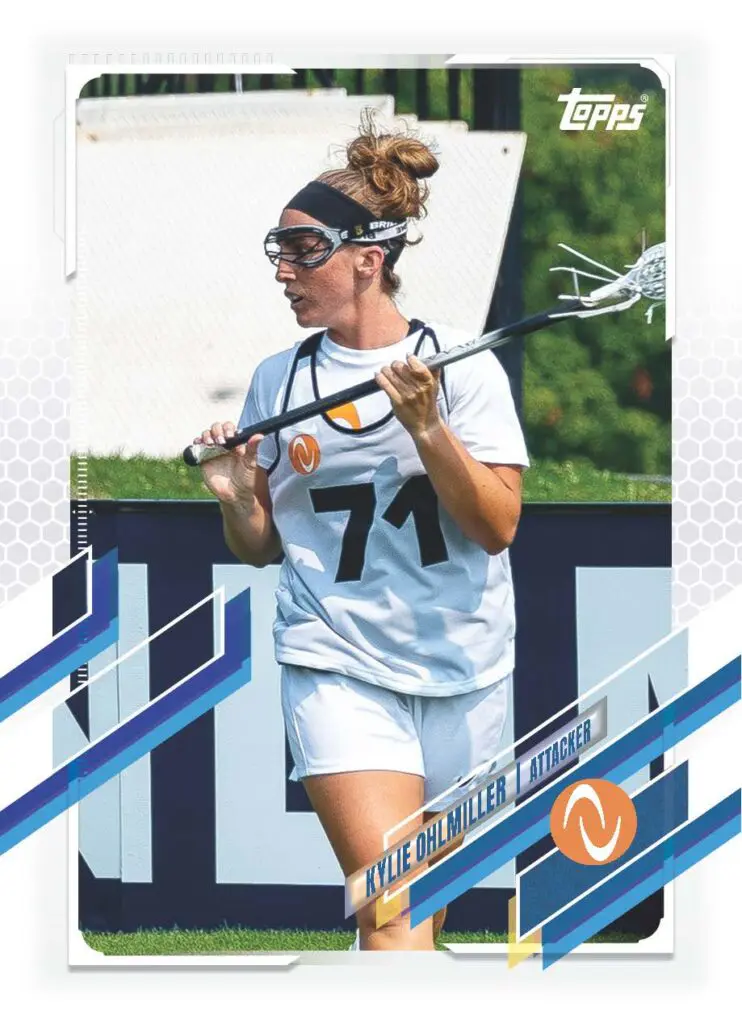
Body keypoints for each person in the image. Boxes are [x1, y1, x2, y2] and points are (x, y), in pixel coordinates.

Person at [195, 115, 529, 951]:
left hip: (466, 668)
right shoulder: (279, 381)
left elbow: (496, 526)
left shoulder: (462, 368)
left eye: (304, 251)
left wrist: (428, 428)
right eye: (279, 251)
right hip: (337, 663)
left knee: (421, 915)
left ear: (368, 259)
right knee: (396, 909)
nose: (284, 271)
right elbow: (261, 548)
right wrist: (238, 500)